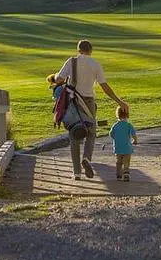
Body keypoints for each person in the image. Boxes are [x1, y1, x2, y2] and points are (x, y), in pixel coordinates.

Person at [55, 39, 128, 180]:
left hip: (73, 102)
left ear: (79, 50)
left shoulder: (72, 61)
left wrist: (57, 76)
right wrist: (118, 101)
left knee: (74, 134)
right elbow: (104, 86)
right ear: (91, 51)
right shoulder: (95, 64)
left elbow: (59, 79)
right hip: (88, 102)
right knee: (91, 133)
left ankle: (76, 172)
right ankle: (87, 158)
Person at [110, 106, 137, 182]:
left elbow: (111, 134)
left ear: (118, 114)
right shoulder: (129, 125)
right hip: (127, 148)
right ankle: (126, 173)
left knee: (119, 161)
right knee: (126, 161)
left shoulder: (115, 125)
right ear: (127, 114)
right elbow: (133, 134)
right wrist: (135, 140)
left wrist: (116, 138)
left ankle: (118, 174)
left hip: (118, 147)